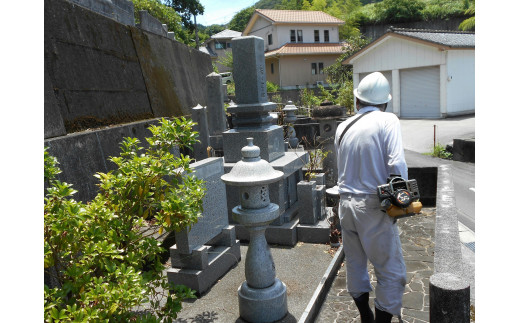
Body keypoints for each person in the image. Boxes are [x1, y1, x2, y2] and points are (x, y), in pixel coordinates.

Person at [334, 72, 408, 323]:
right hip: (372, 205)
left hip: (345, 205)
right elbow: (396, 164)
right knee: (390, 271)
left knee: (355, 264)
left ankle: (365, 316)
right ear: (384, 103)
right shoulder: (388, 120)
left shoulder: (343, 127)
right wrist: (402, 200)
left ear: (357, 101)